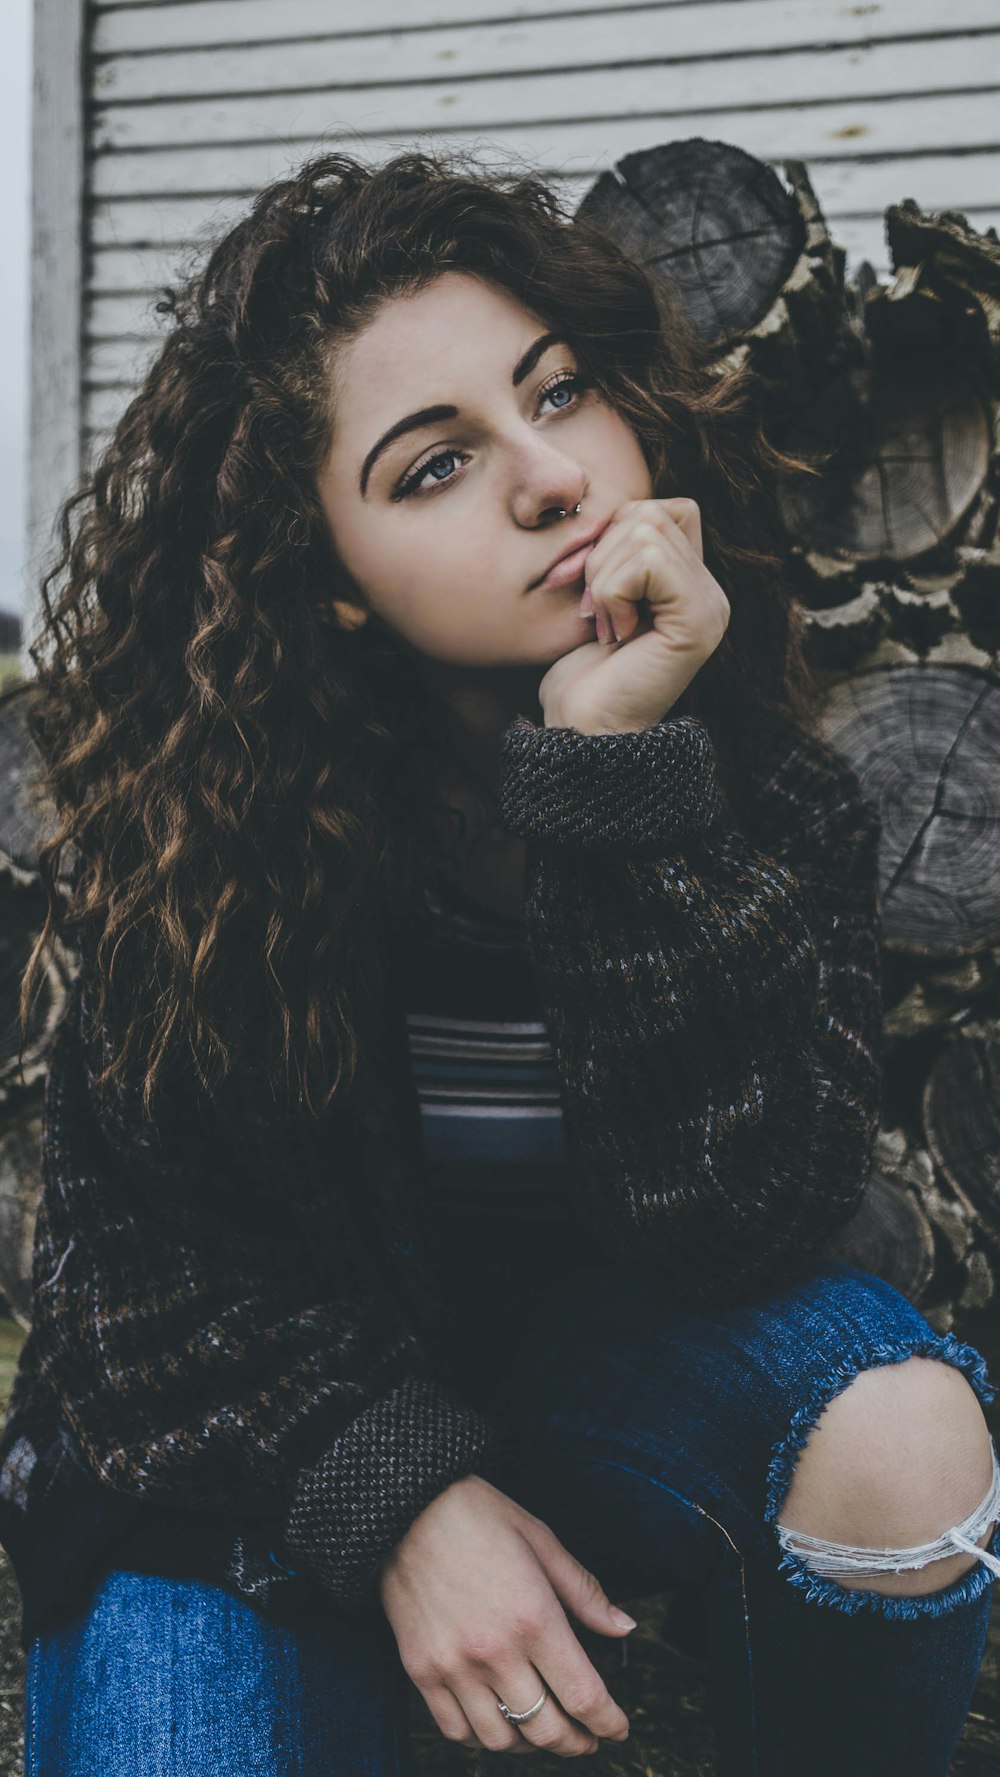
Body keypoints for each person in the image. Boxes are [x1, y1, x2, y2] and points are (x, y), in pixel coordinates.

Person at [2, 145, 998, 1777]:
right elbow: (135, 1284)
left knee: (901, 1428)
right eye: (432, 467)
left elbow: (746, 1223)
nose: (552, 477)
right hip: (232, 1474)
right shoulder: (208, 834)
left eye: (560, 392)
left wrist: (612, 786)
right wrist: (394, 1492)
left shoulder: (765, 798)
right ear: (325, 585)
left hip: (579, 1398)